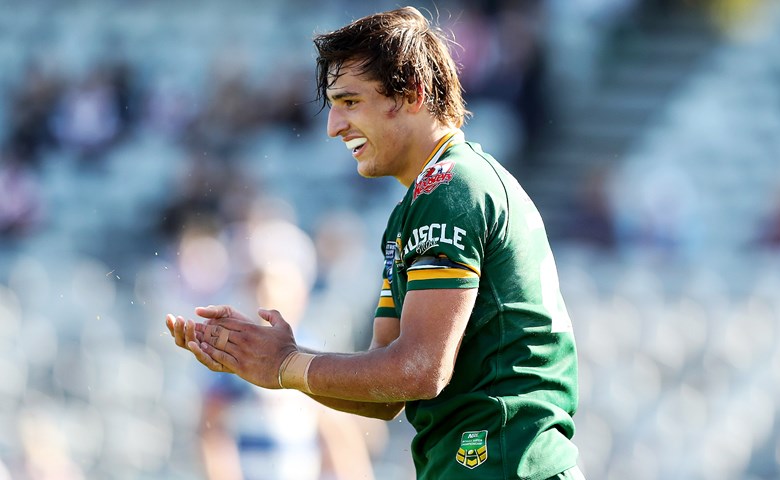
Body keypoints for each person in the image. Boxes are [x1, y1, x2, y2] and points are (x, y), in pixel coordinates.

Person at [166, 6, 584, 479]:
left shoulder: (450, 190)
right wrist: (262, 361)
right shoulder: (419, 205)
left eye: (350, 101)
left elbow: (421, 369)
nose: (333, 126)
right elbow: (387, 393)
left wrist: (286, 364)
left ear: (412, 93)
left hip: (505, 467)